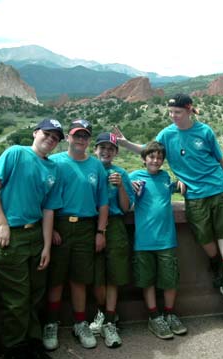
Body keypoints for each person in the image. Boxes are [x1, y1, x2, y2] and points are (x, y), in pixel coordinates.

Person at [114, 93, 223, 300]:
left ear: (189, 110)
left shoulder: (204, 131)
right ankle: (216, 262)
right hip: (194, 194)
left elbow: (219, 159)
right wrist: (125, 143)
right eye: (171, 112)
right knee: (203, 236)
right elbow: (148, 150)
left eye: (177, 112)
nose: (173, 116)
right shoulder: (167, 135)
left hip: (218, 187)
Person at [0, 118, 64, 359]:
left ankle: (33, 345)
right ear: (35, 133)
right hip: (12, 236)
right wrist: (2, 223)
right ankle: (14, 350)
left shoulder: (53, 169)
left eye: (55, 137)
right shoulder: (15, 153)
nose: (50, 139)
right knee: (17, 300)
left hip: (36, 235)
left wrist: (47, 246)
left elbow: (49, 209)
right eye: (47, 134)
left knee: (35, 296)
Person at [42, 119, 109, 350]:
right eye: (76, 135)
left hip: (86, 228)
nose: (81, 139)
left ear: (89, 140)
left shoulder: (96, 166)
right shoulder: (55, 162)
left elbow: (103, 203)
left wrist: (100, 231)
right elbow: (46, 199)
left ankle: (80, 323)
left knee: (80, 279)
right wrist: (50, 231)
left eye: (85, 136)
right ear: (68, 137)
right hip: (60, 225)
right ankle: (51, 323)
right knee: (56, 279)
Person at [129, 141, 187, 339]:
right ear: (144, 159)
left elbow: (171, 188)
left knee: (170, 280)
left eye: (159, 158)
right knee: (148, 281)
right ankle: (154, 317)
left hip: (167, 240)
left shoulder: (164, 177)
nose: (155, 160)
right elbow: (127, 204)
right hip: (144, 240)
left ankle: (169, 314)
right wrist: (131, 191)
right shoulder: (134, 177)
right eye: (151, 157)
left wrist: (180, 184)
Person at [89, 132, 133, 348]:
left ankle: (109, 319)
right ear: (95, 150)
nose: (106, 151)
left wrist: (122, 186)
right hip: (90, 224)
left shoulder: (121, 173)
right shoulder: (89, 169)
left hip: (115, 225)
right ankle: (102, 311)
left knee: (114, 274)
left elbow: (126, 208)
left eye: (110, 148)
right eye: (102, 147)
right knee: (96, 274)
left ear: (116, 152)